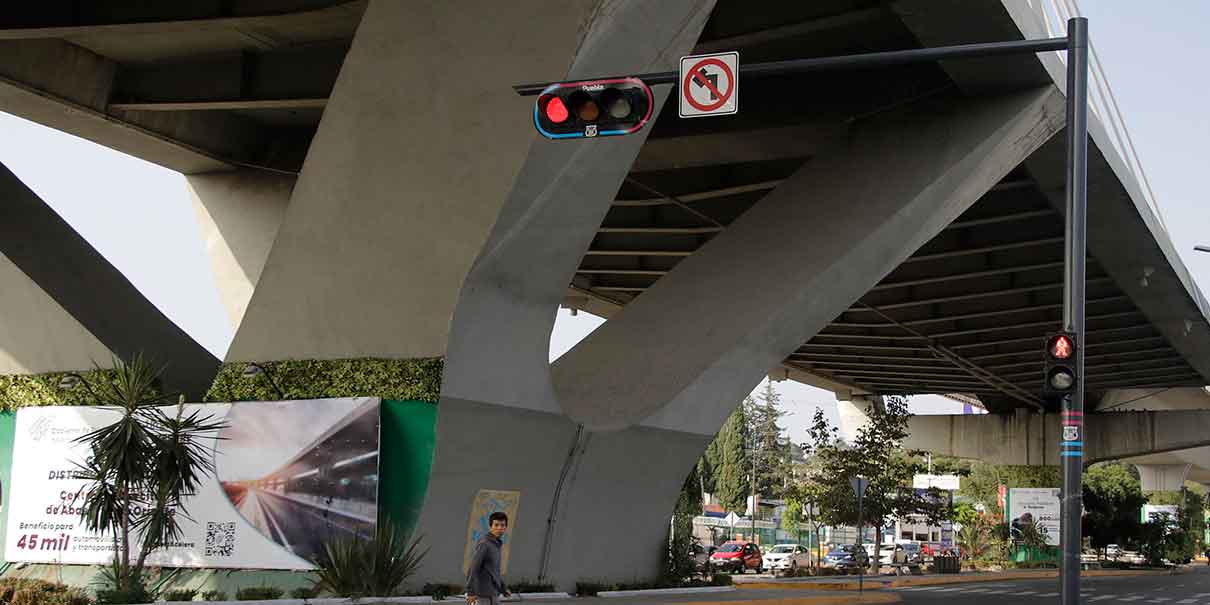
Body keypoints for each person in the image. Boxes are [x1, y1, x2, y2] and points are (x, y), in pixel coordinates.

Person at [466, 511, 510, 604]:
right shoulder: (485, 544)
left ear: (506, 527)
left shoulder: (496, 544)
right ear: (490, 526)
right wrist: (470, 592)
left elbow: (493, 571)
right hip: (482, 596)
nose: (499, 528)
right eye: (496, 525)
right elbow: (473, 568)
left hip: (493, 594)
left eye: (502, 525)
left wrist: (503, 588)